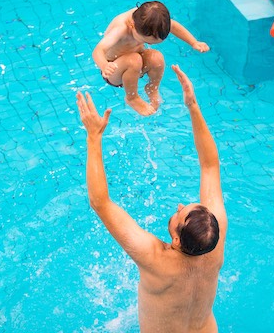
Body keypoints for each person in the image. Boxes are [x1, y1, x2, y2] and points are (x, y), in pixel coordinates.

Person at [76, 65, 227, 332]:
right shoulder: (213, 241)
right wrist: (193, 106)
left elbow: (100, 202)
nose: (180, 205)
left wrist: (94, 137)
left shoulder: (155, 259)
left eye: (180, 213)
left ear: (177, 240)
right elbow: (210, 166)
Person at [92, 1, 210, 116]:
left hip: (136, 66)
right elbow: (98, 50)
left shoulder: (151, 21)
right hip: (114, 71)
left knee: (157, 57)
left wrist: (193, 42)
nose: (147, 44)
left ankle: (152, 88)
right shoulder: (121, 29)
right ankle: (132, 97)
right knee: (134, 59)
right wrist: (104, 66)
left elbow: (173, 26)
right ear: (132, 26)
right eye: (144, 41)